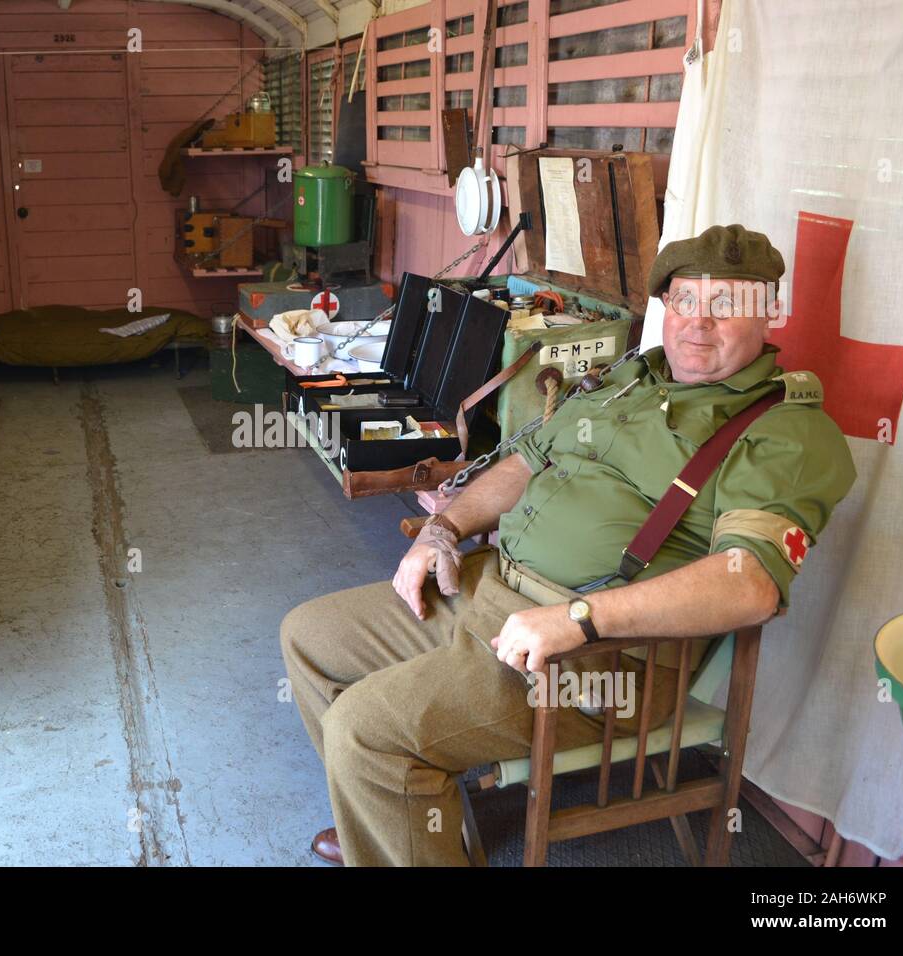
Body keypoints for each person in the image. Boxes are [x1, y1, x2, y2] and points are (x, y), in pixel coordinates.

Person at [279, 224, 857, 866]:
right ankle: (389, 822)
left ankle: (387, 803)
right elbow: (523, 463)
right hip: (490, 589)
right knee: (309, 636)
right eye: (685, 301)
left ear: (769, 312)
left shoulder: (783, 432)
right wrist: (444, 530)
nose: (699, 324)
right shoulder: (634, 379)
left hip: (601, 659)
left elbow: (748, 583)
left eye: (726, 305)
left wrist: (580, 619)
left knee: (365, 730)